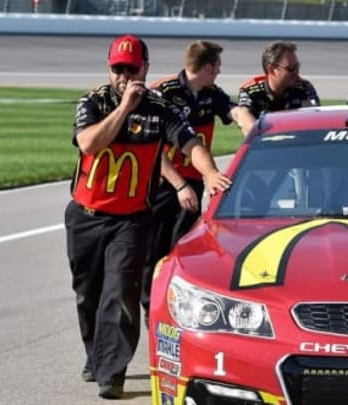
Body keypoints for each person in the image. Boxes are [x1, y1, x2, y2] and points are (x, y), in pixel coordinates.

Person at [64, 34, 231, 399]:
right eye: (117, 68)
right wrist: (124, 108)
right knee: (86, 293)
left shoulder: (161, 108)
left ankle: (113, 371)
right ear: (109, 69)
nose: (124, 75)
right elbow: (89, 143)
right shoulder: (93, 102)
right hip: (86, 215)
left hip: (132, 218)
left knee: (121, 290)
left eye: (131, 68)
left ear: (145, 68)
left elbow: (190, 144)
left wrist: (207, 172)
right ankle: (96, 356)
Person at [142, 40, 243, 320]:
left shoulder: (212, 94)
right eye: (218, 66)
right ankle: (151, 310)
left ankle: (176, 310)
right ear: (208, 67)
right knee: (154, 253)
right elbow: (152, 150)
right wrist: (179, 185)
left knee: (184, 249)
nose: (219, 71)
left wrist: (249, 124)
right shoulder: (163, 92)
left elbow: (234, 111)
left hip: (193, 184)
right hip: (164, 185)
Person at [236, 40, 320, 134]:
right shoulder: (250, 91)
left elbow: (313, 122)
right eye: (291, 69)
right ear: (271, 70)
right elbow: (246, 123)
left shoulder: (304, 87)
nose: (296, 73)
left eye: (297, 66)